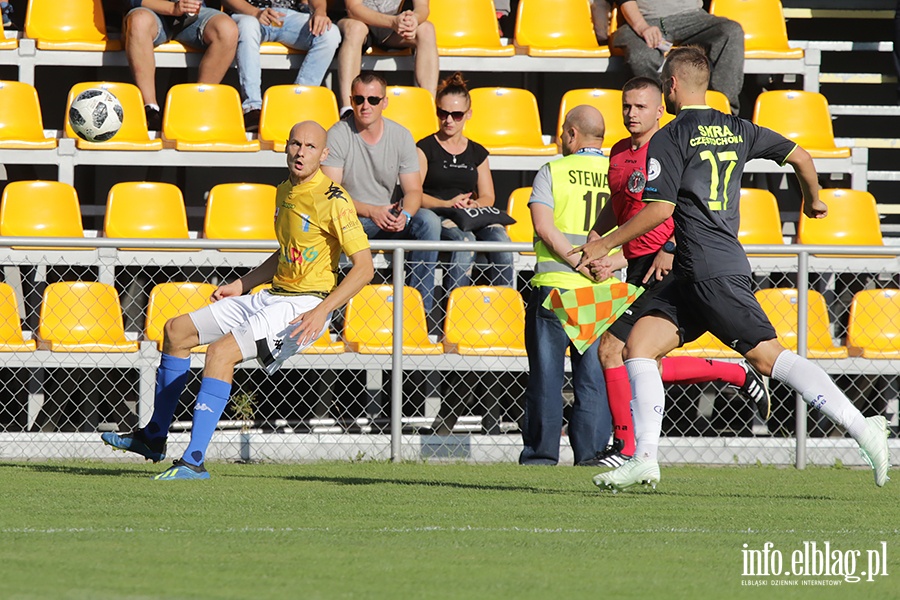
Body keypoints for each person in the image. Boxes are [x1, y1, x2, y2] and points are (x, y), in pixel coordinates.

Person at [573, 47, 891, 491]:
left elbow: (661, 208)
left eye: (665, 83)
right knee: (638, 348)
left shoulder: (670, 135)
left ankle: (863, 427)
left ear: (673, 86)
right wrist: (812, 199)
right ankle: (644, 458)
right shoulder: (736, 128)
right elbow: (800, 155)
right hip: (690, 271)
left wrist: (604, 243)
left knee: (767, 358)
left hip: (711, 269)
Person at [101, 121, 374, 480]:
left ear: (324, 155)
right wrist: (242, 284)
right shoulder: (284, 191)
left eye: (310, 147)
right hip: (272, 294)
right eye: (295, 144)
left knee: (220, 353)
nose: (301, 152)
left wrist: (322, 310)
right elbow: (286, 255)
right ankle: (154, 436)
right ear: (287, 147)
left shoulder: (334, 200)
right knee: (176, 330)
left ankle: (194, 461)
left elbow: (365, 268)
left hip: (303, 304)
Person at [578, 76, 770, 469]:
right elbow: (620, 204)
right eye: (627, 106)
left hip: (667, 264)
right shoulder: (617, 153)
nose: (632, 113)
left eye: (641, 106)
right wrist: (599, 239)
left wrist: (669, 249)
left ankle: (627, 448)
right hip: (636, 265)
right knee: (642, 358)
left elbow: (687, 209)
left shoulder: (670, 146)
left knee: (613, 350)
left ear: (660, 108)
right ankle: (735, 374)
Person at [519, 105, 612, 466]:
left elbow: (545, 228)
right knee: (593, 378)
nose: (561, 139)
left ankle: (542, 457)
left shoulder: (553, 171)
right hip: (600, 292)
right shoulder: (617, 175)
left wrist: (577, 262)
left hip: (555, 286)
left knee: (547, 378)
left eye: (562, 133)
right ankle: (591, 455)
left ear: (572, 134)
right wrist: (595, 267)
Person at [321, 71, 441, 316]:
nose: (366, 106)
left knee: (429, 222)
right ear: (351, 100)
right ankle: (335, 314)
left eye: (373, 100)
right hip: (351, 218)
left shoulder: (401, 135)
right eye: (359, 99)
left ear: (384, 102)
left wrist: (405, 215)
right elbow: (331, 193)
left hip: (389, 215)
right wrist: (372, 211)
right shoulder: (338, 134)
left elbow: (414, 190)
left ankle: (419, 313)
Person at [416, 72, 514, 293]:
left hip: (470, 214)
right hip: (440, 214)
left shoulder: (477, 152)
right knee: (464, 241)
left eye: (456, 115)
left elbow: (488, 195)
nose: (449, 120)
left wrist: (475, 205)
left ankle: (506, 306)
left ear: (468, 114)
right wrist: (449, 204)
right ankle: (455, 312)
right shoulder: (425, 147)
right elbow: (416, 194)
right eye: (443, 113)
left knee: (502, 242)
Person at [223, 0, 341, 131]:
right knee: (247, 26)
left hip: (289, 17)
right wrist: (255, 12)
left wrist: (320, 12)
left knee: (330, 33)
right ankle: (252, 108)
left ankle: (298, 104)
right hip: (248, 14)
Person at [611, 0, 744, 114]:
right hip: (645, 20)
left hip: (694, 18)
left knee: (731, 31)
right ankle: (654, 116)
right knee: (641, 56)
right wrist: (642, 27)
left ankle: (723, 113)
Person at [122, 0, 239, 130]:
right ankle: (149, 110)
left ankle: (197, 107)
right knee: (139, 21)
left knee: (227, 29)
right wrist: (172, 8)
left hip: (195, 15)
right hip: (151, 12)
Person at [335, 0, 438, 114]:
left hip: (393, 27)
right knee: (356, 29)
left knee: (427, 29)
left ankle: (429, 107)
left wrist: (414, 19)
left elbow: (422, 7)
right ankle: (348, 108)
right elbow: (353, 9)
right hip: (359, 21)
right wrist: (392, 22)